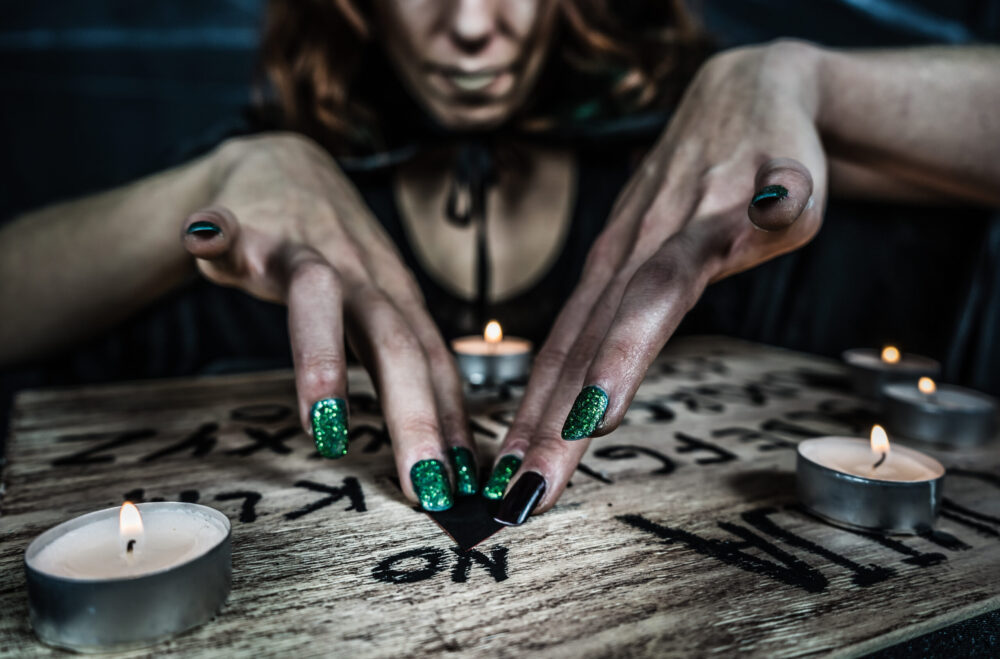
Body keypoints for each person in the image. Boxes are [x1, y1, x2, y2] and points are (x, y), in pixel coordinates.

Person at [0, 1, 998, 523]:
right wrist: (216, 176)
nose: (473, 24)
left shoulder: (698, 174)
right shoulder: (273, 196)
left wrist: (799, 77)